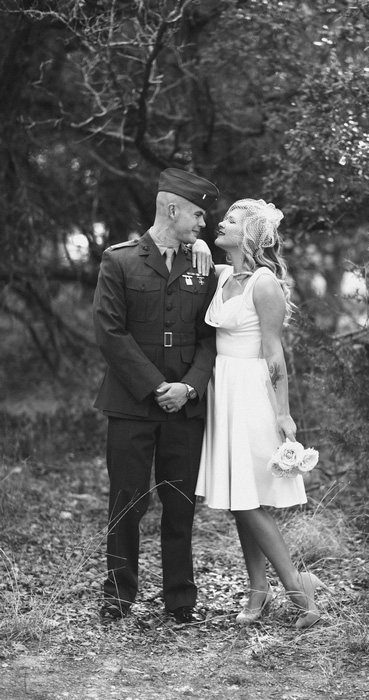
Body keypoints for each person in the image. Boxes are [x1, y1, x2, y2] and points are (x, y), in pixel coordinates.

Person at [93, 167, 219, 624]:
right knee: (127, 500)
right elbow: (109, 332)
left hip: (184, 407)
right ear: (172, 209)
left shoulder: (203, 266)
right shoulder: (120, 260)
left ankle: (180, 600)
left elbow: (211, 337)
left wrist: (188, 386)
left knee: (180, 504)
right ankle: (118, 595)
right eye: (197, 213)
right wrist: (155, 387)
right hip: (131, 405)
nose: (203, 223)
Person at [195, 198, 324, 629]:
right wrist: (196, 249)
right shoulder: (226, 274)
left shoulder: (264, 283)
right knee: (239, 500)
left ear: (249, 234)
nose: (220, 222)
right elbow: (192, 261)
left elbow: (275, 356)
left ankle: (300, 597)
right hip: (223, 391)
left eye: (230, 220)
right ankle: (258, 591)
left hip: (252, 394)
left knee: (250, 503)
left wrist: (283, 414)